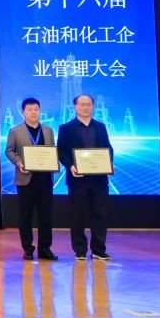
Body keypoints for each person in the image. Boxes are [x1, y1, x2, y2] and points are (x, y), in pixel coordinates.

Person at [57, 93, 115, 262]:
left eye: (88, 104)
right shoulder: (66, 128)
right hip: (77, 179)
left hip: (99, 179)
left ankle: (98, 250)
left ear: (93, 106)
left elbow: (108, 148)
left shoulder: (101, 127)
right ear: (75, 107)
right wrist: (71, 166)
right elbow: (61, 151)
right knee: (77, 215)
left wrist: (109, 163)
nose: (85, 107)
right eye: (82, 104)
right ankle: (80, 250)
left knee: (100, 214)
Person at [5, 97, 59, 261]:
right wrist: (18, 162)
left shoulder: (48, 130)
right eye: (30, 110)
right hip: (25, 180)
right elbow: (9, 151)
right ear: (23, 112)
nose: (33, 112)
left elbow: (52, 150)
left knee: (46, 217)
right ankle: (27, 249)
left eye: (36, 109)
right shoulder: (15, 131)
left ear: (40, 111)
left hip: (45, 179)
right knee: (25, 216)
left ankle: (45, 248)